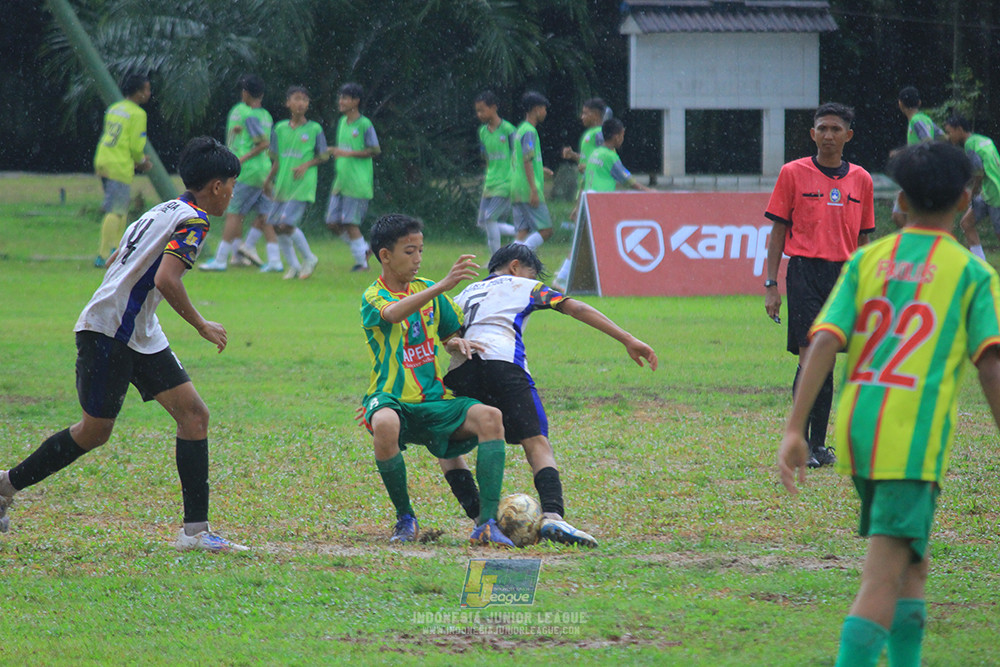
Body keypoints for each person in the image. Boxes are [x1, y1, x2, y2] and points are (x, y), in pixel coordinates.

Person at [779, 141, 1000, 667]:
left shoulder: (869, 259)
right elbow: (990, 365)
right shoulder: (972, 275)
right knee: (883, 573)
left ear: (899, 200)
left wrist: (795, 429)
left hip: (861, 427)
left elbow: (825, 341)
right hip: (910, 438)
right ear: (965, 200)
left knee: (911, 566)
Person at [0, 137, 247, 552]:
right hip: (111, 331)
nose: (233, 193)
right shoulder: (194, 220)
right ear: (217, 186)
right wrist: (202, 324)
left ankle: (195, 532)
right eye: (232, 185)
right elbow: (167, 279)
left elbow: (117, 258)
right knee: (94, 432)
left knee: (194, 416)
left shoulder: (162, 209)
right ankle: (5, 486)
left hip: (136, 331)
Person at [443, 243, 658, 547]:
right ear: (516, 267)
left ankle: (481, 518)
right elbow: (576, 308)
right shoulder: (525, 285)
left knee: (447, 444)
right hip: (504, 366)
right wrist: (627, 338)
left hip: (461, 370)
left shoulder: (463, 294)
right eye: (532, 272)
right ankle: (554, 517)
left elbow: (442, 331)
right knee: (537, 443)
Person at [360, 213, 514, 548]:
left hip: (435, 399)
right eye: (409, 251)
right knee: (384, 422)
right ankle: (405, 519)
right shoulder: (373, 295)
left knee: (492, 417)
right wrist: (443, 286)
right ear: (385, 256)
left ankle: (486, 523)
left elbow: (448, 332)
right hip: (391, 398)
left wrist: (454, 342)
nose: (417, 259)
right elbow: (393, 314)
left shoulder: (428, 290)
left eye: (420, 251)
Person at [764, 102, 875, 469]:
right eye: (822, 128)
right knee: (811, 354)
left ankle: (818, 445)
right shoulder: (792, 173)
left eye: (835, 129)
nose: (828, 135)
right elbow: (778, 231)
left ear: (848, 135)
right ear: (812, 134)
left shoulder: (862, 180)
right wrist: (771, 285)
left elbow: (864, 240)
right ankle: (800, 442)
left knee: (827, 361)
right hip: (804, 273)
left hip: (844, 277)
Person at [553, 118, 652, 290]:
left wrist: (578, 206)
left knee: (584, 243)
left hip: (588, 201)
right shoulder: (610, 156)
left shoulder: (595, 154)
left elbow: (586, 181)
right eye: (621, 135)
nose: (622, 138)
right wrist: (649, 193)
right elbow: (628, 181)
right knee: (608, 241)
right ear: (615, 136)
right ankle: (614, 280)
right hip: (600, 204)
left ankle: (565, 277)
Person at [199, 74, 280, 272]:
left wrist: (239, 161)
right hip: (263, 170)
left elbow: (263, 143)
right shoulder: (266, 115)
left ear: (245, 93)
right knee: (266, 214)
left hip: (247, 172)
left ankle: (220, 259)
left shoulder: (248, 114)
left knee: (234, 214)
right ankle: (274, 260)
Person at [262, 86, 326, 280]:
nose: (301, 103)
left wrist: (306, 165)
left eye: (305, 100)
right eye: (297, 99)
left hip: (302, 184)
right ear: (287, 102)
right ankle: (294, 266)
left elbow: (323, 155)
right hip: (283, 184)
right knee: (274, 224)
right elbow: (277, 160)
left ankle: (309, 258)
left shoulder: (314, 129)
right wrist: (267, 180)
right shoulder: (280, 129)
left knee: (287, 223)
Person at [93, 71, 153, 268]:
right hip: (119, 164)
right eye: (147, 89)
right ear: (139, 92)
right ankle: (103, 255)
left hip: (104, 158)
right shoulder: (138, 114)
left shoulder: (114, 108)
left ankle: (115, 249)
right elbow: (136, 147)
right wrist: (143, 161)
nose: (149, 93)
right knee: (116, 210)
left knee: (120, 208)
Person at [326, 82, 380, 272]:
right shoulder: (342, 122)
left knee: (350, 222)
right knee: (332, 222)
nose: (341, 101)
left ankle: (361, 262)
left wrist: (346, 153)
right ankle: (363, 249)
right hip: (341, 182)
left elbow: (374, 150)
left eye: (345, 98)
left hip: (357, 182)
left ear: (356, 101)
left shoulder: (364, 124)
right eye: (340, 97)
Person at [943, 113, 1000, 261]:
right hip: (988, 192)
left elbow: (979, 173)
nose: (949, 137)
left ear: (960, 129)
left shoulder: (970, 145)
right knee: (966, 223)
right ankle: (981, 263)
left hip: (995, 193)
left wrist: (973, 192)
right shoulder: (983, 140)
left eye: (950, 132)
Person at [891, 86, 944, 227]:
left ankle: (913, 243)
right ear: (919, 103)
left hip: (918, 173)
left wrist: (903, 153)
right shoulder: (925, 119)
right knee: (913, 215)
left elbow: (927, 141)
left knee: (898, 215)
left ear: (900, 103)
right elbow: (943, 136)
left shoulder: (916, 121)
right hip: (920, 173)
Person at [474, 91, 518, 255]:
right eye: (477, 111)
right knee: (482, 222)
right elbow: (486, 157)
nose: (479, 114)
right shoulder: (482, 132)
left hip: (505, 182)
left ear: (493, 108)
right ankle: (520, 232)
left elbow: (518, 156)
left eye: (482, 110)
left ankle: (495, 258)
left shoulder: (508, 130)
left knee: (490, 218)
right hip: (490, 182)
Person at [511, 91, 554, 251]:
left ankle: (509, 262)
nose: (545, 112)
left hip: (516, 187)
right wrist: (534, 189)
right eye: (544, 109)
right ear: (536, 109)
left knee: (522, 231)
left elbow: (520, 159)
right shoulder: (529, 131)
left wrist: (540, 169)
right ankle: (523, 255)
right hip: (527, 188)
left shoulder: (520, 129)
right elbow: (527, 159)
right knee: (546, 230)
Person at [561, 97, 608, 222]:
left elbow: (606, 162)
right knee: (582, 223)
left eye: (585, 113)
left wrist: (587, 167)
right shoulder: (590, 134)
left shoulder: (600, 134)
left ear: (596, 114)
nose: (582, 117)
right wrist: (574, 156)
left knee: (591, 223)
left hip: (596, 188)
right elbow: (589, 159)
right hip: (585, 186)